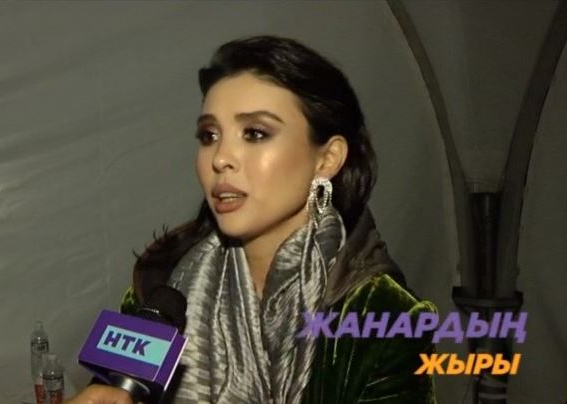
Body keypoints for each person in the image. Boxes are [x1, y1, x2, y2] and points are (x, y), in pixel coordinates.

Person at [68, 35, 438, 404]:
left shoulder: (385, 320)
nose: (220, 158)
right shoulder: (159, 289)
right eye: (209, 135)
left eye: (255, 133)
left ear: (327, 159)